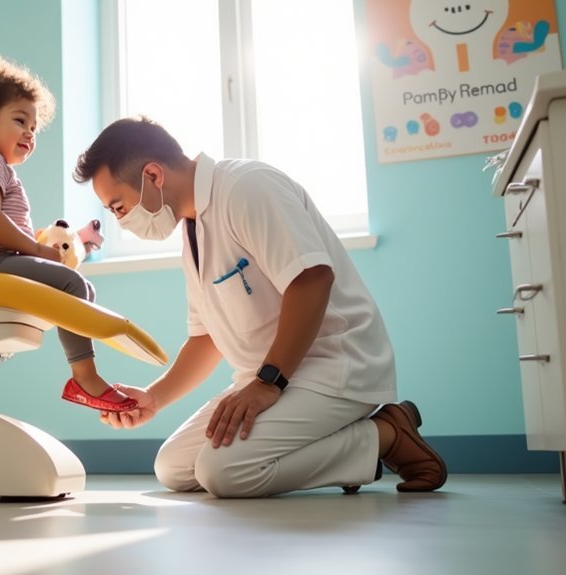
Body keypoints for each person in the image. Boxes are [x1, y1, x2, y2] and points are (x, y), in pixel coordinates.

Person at [72, 117, 448, 496]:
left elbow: (312, 280)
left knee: (224, 472)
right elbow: (207, 339)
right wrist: (153, 398)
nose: (120, 221)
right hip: (269, 378)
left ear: (153, 175)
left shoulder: (246, 187)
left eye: (118, 207)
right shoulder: (192, 227)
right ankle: (339, 450)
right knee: (174, 468)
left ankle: (385, 435)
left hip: (332, 366)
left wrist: (269, 382)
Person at [0, 53, 136, 412]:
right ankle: (85, 378)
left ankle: (83, 374)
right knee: (72, 285)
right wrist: (36, 250)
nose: (30, 132)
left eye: (34, 127)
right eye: (20, 120)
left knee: (79, 287)